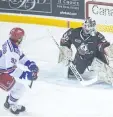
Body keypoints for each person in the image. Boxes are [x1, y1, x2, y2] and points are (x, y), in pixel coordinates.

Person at [59, 17, 113, 84]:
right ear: (83, 26)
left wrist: (109, 51)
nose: (90, 30)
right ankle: (67, 66)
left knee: (109, 76)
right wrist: (66, 54)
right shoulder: (74, 32)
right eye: (88, 27)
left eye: (92, 28)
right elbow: (64, 41)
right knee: (72, 73)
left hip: (96, 58)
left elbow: (104, 45)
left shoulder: (97, 36)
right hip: (81, 58)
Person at [0, 27, 39, 114]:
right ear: (18, 38)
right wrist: (27, 75)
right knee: (19, 89)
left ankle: (10, 102)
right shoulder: (12, 52)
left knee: (17, 88)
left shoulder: (10, 43)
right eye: (21, 37)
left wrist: (30, 64)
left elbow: (20, 56)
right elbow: (11, 70)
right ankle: (10, 106)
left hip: (2, 71)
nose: (22, 39)